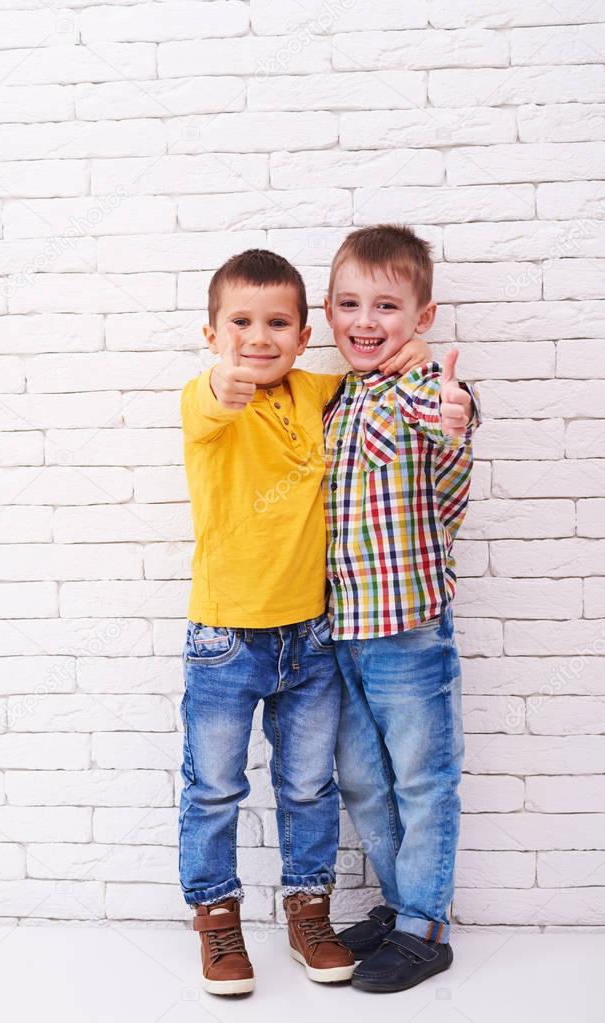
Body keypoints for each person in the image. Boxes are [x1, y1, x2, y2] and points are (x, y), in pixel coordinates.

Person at [178, 248, 430, 995]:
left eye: (277, 323)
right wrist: (225, 377)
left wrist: (411, 351)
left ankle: (307, 908)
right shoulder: (207, 399)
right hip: (225, 636)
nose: (259, 338)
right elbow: (217, 392)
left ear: (302, 331)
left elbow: (369, 378)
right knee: (214, 787)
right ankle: (216, 915)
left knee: (309, 787)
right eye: (241, 324)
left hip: (311, 636)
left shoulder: (315, 389)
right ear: (211, 332)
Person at [322, 225, 481, 993]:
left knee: (421, 777)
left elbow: (448, 412)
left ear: (420, 318)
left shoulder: (420, 386)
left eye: (385, 304)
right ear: (327, 311)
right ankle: (395, 903)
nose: (365, 318)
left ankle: (424, 922)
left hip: (406, 627)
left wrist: (456, 408)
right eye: (349, 302)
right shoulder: (337, 400)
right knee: (361, 780)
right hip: (338, 629)